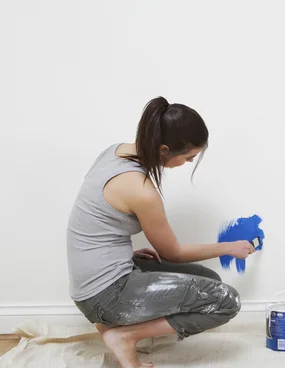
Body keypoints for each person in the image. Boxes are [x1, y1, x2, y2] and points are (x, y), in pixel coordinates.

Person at [66, 97, 255, 368]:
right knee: (226, 300)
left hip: (99, 278)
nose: (189, 162)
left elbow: (95, 224)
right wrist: (229, 247)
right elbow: (173, 253)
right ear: (164, 149)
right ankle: (124, 335)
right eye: (188, 157)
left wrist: (126, 254)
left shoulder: (115, 152)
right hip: (103, 295)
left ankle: (111, 327)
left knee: (210, 281)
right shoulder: (141, 190)